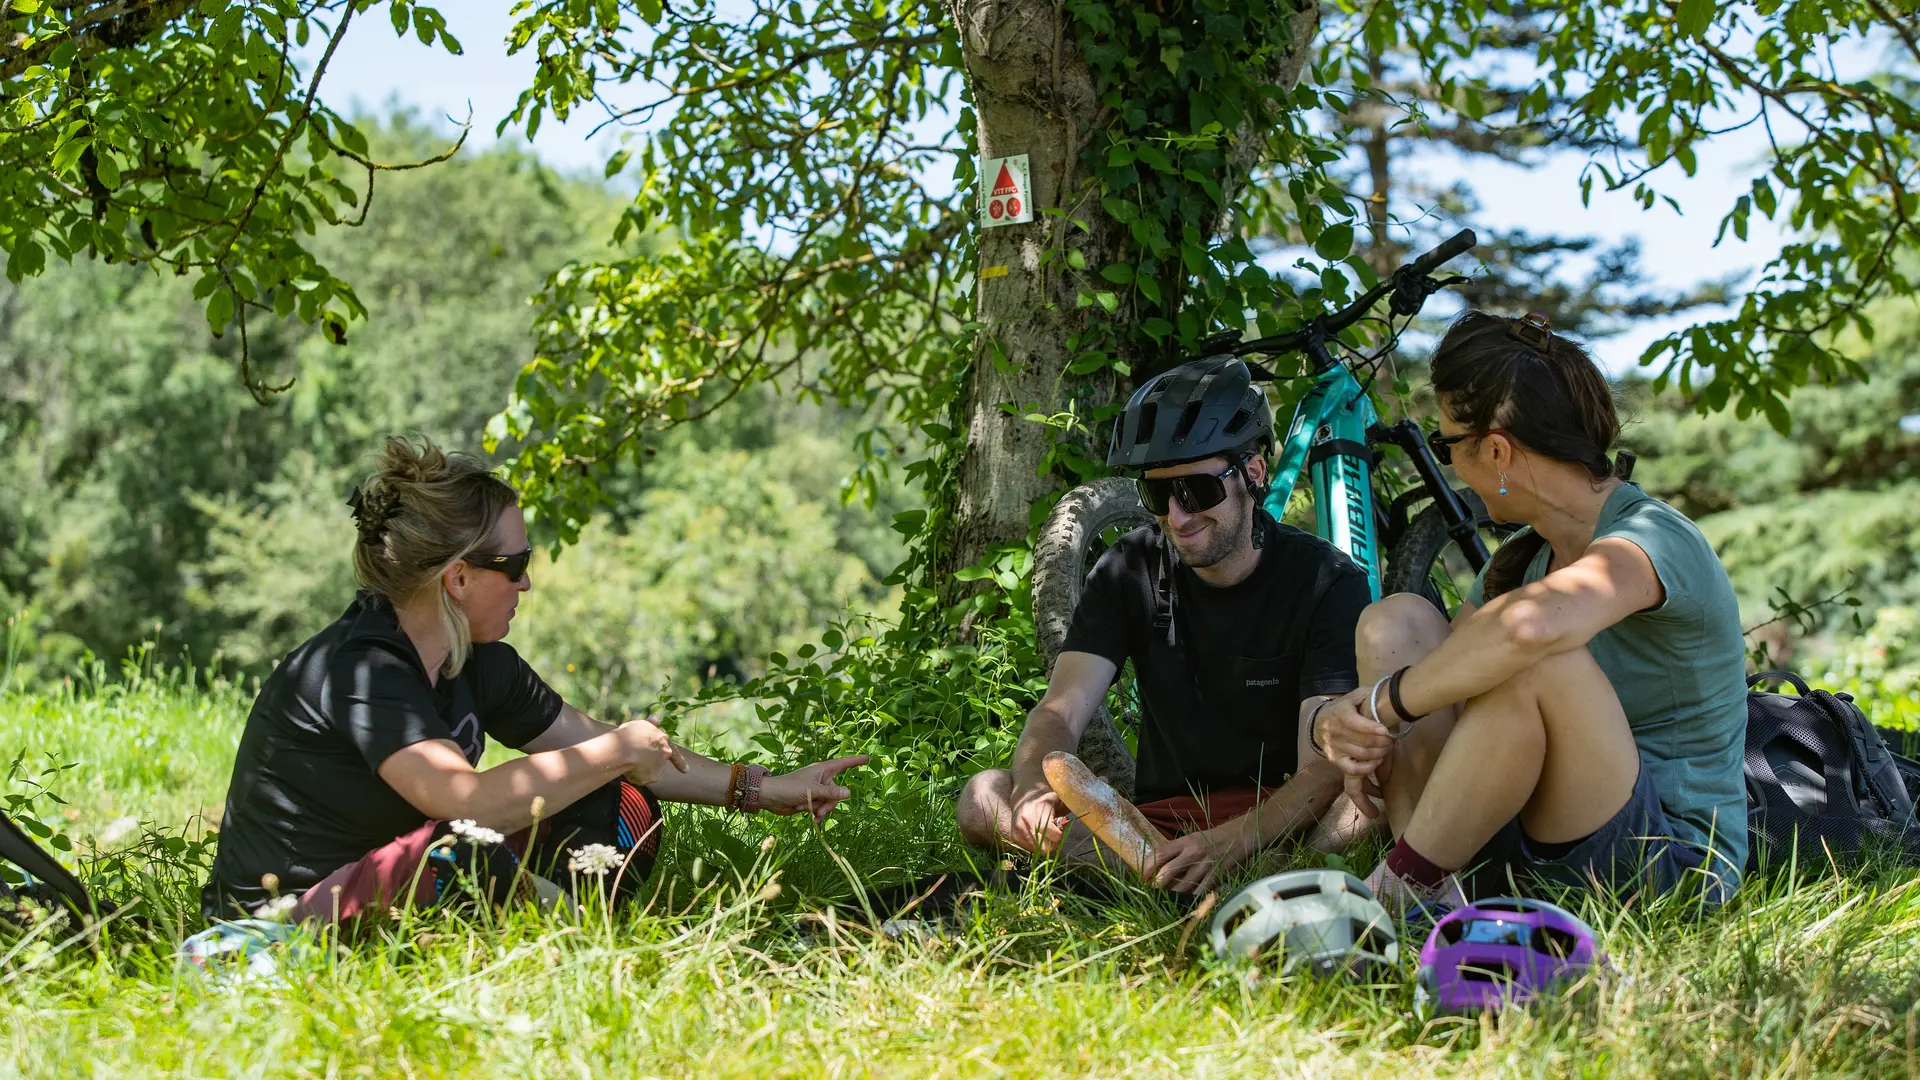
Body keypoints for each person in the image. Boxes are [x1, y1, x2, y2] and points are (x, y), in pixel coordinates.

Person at [201, 437, 867, 924]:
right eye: (514, 563)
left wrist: (764, 789)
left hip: (401, 893)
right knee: (462, 848)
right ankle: (575, 933)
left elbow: (632, 760)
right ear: (458, 578)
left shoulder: (479, 661)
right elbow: (462, 802)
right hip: (277, 926)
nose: (527, 581)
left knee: (619, 801)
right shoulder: (364, 668)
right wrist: (612, 754)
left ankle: (553, 927)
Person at [1312, 311, 1748, 908]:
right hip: (1537, 839)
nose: (1446, 462)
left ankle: (1395, 895)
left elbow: (1527, 633)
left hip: (1665, 862)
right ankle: (1436, 896)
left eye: (1446, 445)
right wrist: (1356, 727)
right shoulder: (1527, 558)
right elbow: (1452, 668)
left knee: (1535, 658)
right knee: (1397, 620)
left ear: (1496, 451)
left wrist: (1387, 704)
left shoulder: (1653, 537)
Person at [955, 356, 1373, 894]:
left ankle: (1224, 882)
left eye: (1197, 492)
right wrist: (1035, 788)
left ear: (1254, 473)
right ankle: (1191, 883)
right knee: (984, 796)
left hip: (1283, 824)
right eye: (1157, 495)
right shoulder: (1129, 567)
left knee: (1371, 800)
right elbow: (1059, 712)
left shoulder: (1327, 580)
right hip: (1160, 826)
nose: (1176, 516)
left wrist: (1234, 842)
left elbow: (1323, 769)